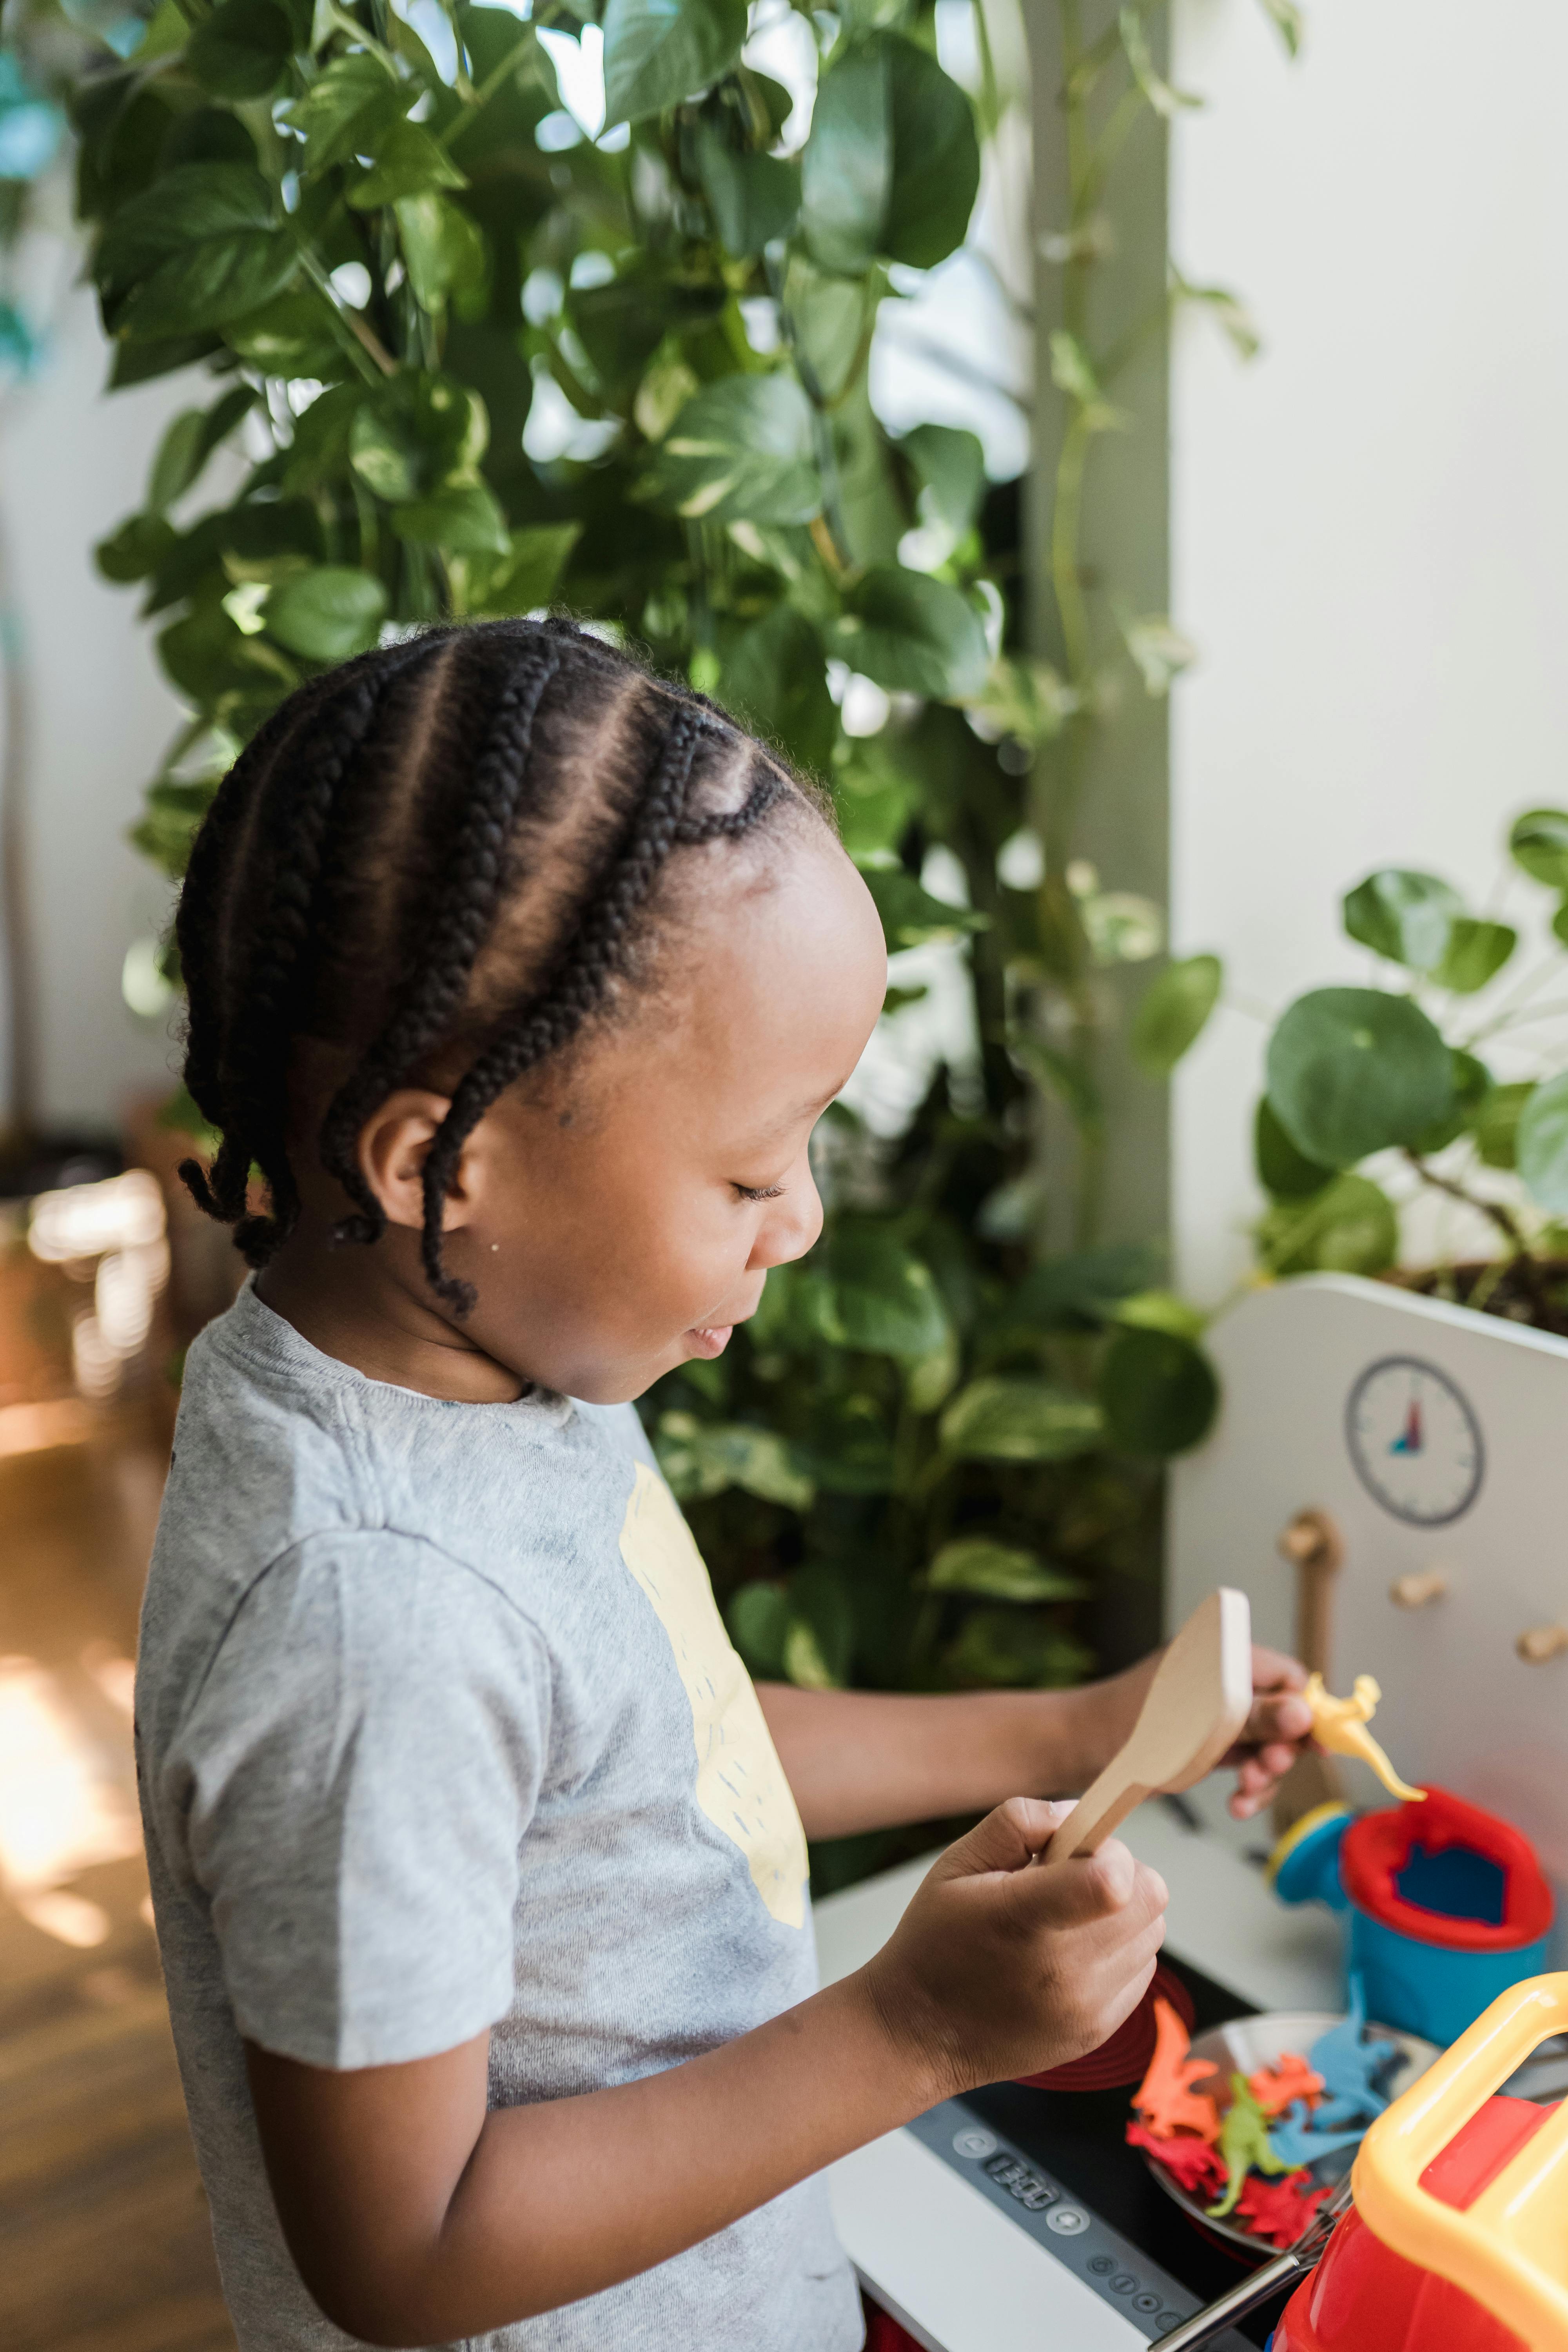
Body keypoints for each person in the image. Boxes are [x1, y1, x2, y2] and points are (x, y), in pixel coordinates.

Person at [136, 618, 1313, 2352]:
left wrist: (1073, 1727)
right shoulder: (367, 1616)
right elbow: (402, 2253)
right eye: (757, 1164)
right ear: (431, 1163)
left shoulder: (478, 1355)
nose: (807, 1217)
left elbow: (643, 1742)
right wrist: (912, 2030)